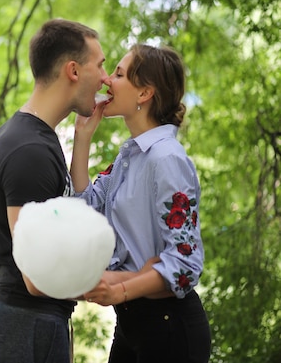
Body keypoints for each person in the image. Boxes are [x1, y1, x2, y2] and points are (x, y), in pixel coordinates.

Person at [0, 19, 109, 363]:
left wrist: (83, 140)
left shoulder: (38, 138)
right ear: (74, 70)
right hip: (23, 327)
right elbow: (35, 277)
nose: (106, 79)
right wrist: (125, 286)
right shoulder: (28, 151)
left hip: (34, 323)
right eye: (101, 65)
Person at [70, 44, 212, 363]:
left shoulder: (167, 159)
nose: (107, 80)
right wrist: (82, 138)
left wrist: (120, 287)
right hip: (131, 324)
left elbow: (186, 265)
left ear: (144, 93)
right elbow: (84, 212)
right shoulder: (129, 156)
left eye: (119, 74)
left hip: (170, 329)